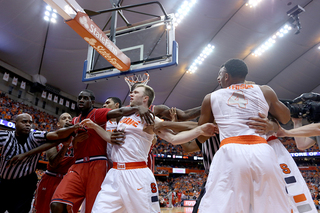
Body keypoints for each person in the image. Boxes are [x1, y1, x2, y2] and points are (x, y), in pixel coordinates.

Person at [80, 84, 215, 213]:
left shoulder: (150, 118)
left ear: (145, 98)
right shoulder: (124, 116)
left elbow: (174, 139)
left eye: (136, 92)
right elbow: (112, 139)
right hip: (115, 174)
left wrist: (200, 130)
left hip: (136, 174)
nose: (131, 94)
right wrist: (94, 126)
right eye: (132, 92)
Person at [196, 58, 292, 212]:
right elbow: (286, 119)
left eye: (220, 75)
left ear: (226, 76)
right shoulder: (265, 90)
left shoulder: (211, 97)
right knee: (271, 207)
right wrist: (271, 123)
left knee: (223, 206)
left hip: (230, 153)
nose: (218, 78)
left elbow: (200, 137)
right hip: (262, 151)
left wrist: (214, 126)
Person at [50, 89, 154, 213]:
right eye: (79, 98)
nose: (81, 100)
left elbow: (120, 112)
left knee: (94, 209)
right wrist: (73, 138)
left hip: (98, 163)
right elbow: (60, 137)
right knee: (56, 204)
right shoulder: (74, 121)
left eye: (85, 98)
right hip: (77, 165)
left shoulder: (98, 114)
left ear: (92, 101)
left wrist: (139, 108)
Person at [0, 113, 79, 213]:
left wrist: (75, 127)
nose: (28, 124)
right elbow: (54, 160)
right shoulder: (4, 136)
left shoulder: (35, 136)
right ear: (15, 124)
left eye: (30, 122)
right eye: (24, 122)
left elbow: (59, 136)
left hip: (25, 184)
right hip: (4, 183)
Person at [32, 112, 88, 213]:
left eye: (69, 118)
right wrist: (65, 146)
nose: (67, 120)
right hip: (51, 178)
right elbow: (53, 163)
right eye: (64, 118)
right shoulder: (52, 137)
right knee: (42, 210)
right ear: (58, 124)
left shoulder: (79, 138)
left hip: (69, 180)